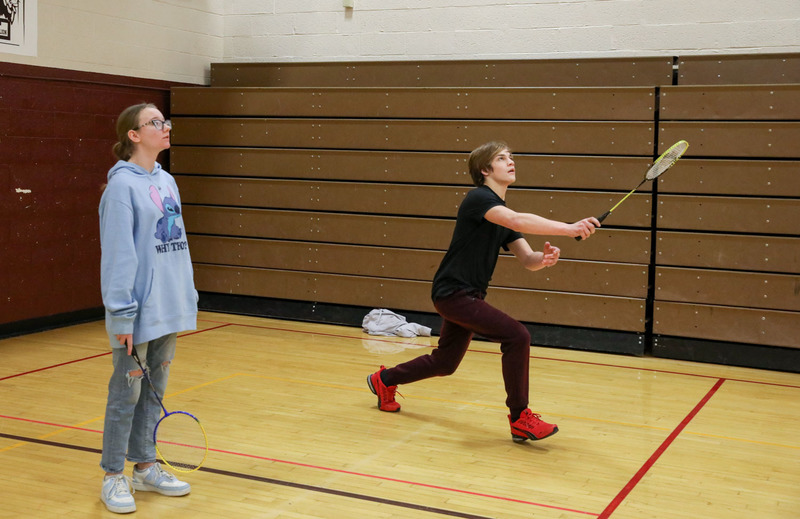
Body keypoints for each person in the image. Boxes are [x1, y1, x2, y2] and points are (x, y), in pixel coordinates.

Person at [367, 141, 600, 442]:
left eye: (511, 157)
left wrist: (543, 260)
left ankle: (384, 379)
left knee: (445, 362)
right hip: (453, 292)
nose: (511, 161)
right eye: (501, 158)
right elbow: (517, 219)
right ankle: (520, 417)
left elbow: (527, 259)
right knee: (517, 336)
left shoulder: (501, 214)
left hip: (468, 295)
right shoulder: (479, 198)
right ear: (485, 170)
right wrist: (569, 228)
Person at [98, 103, 198, 513]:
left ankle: (144, 466)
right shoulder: (121, 188)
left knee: (154, 393)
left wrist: (186, 294)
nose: (165, 127)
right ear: (134, 135)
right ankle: (113, 475)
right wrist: (122, 314)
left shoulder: (167, 180)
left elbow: (176, 247)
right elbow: (118, 255)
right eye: (156, 122)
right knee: (126, 394)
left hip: (168, 307)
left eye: (165, 121)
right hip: (136, 312)